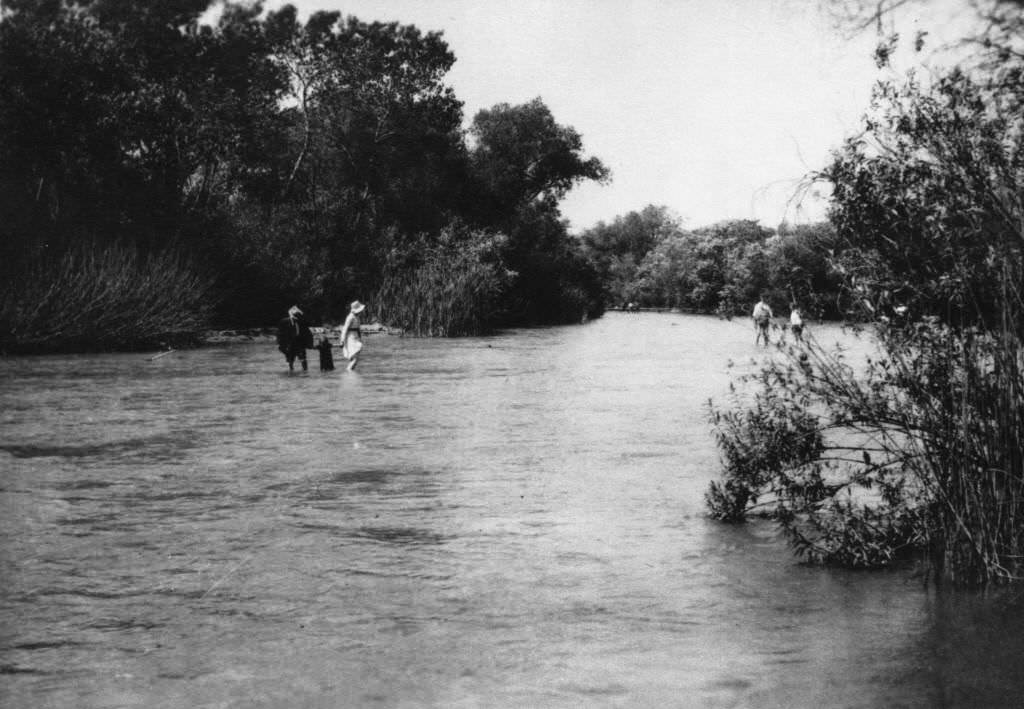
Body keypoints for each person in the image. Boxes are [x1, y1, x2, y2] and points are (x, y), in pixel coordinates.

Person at [276, 305, 313, 372]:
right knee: (290, 359)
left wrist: (301, 313)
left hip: (300, 342)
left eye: (296, 313)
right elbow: (280, 333)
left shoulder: (301, 321)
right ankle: (291, 371)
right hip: (290, 343)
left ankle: (305, 371)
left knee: (303, 358)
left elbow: (308, 324)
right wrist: (281, 344)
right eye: (294, 313)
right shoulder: (284, 321)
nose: (295, 315)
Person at [339, 300, 366, 371]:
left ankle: (350, 373)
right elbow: (345, 328)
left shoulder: (357, 317)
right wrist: (342, 340)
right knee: (355, 358)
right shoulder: (350, 317)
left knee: (356, 358)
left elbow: (358, 329)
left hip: (356, 337)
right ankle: (349, 372)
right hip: (350, 338)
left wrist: (360, 338)